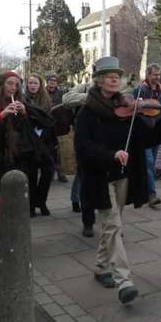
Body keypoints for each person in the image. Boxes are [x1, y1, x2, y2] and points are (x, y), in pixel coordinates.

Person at [74, 56, 161, 304]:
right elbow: (83, 146)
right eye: (109, 76)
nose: (114, 79)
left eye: (117, 76)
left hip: (122, 176)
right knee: (113, 226)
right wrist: (111, 154)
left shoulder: (127, 108)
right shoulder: (88, 111)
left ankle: (100, 266)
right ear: (99, 81)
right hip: (99, 175)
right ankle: (124, 280)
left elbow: (147, 138)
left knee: (112, 225)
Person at [0, 71, 52, 257]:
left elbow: (44, 123)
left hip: (15, 157)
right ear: (1, 85)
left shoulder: (21, 101)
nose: (13, 88)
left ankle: (12, 235)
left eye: (16, 84)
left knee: (13, 197)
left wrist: (25, 114)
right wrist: (0, 115)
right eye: (9, 84)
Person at [132, 64, 161, 208]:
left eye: (159, 74)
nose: (157, 77)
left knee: (151, 164)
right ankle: (152, 194)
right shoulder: (139, 90)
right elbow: (134, 111)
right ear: (148, 75)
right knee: (148, 163)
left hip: (157, 133)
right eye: (154, 74)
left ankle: (144, 190)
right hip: (143, 133)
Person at [62, 78, 95, 235]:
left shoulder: (116, 89)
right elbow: (67, 99)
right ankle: (77, 202)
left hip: (105, 141)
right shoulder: (84, 87)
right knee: (83, 174)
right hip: (83, 137)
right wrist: (89, 97)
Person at [24, 75, 57, 216]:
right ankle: (31, 205)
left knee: (48, 172)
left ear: (40, 85)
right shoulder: (22, 99)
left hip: (45, 141)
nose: (33, 85)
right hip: (29, 142)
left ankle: (41, 201)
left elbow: (50, 119)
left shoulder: (46, 99)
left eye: (35, 83)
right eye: (30, 83)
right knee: (30, 175)